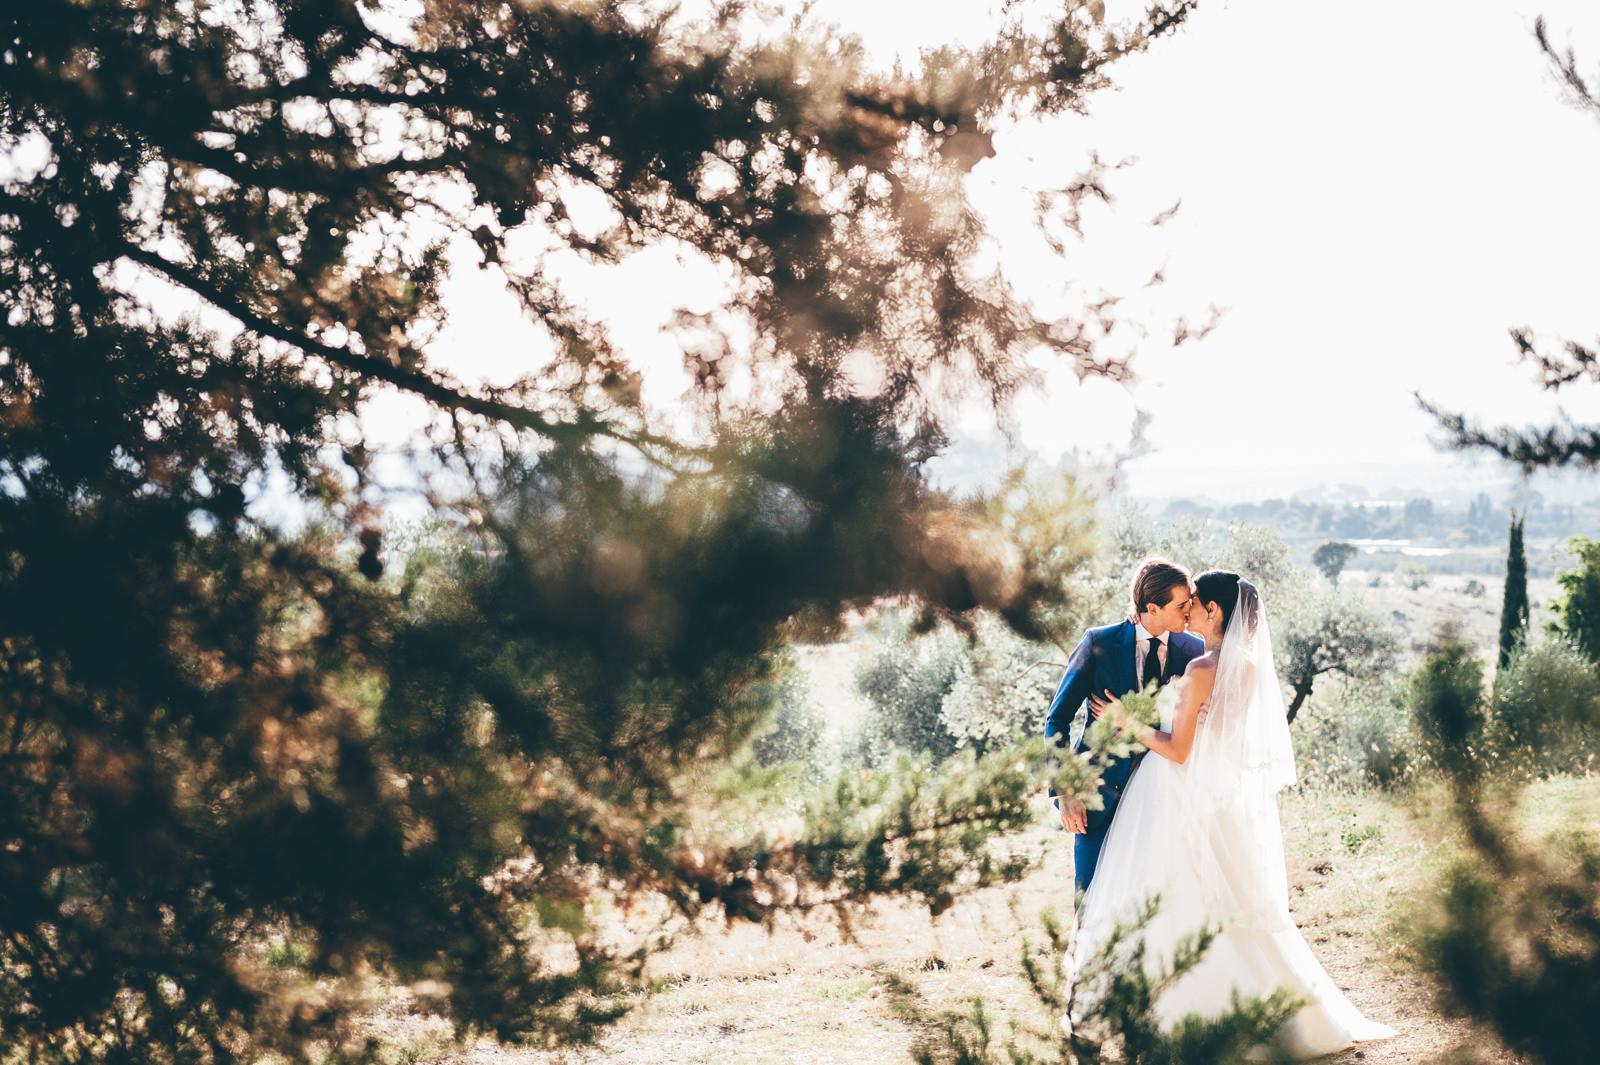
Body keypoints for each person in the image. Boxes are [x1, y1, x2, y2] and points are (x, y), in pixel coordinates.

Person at [1076, 570, 1397, 1058]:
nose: (1188, 610)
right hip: (1210, 797)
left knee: (1171, 901)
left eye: (1196, 602)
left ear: (1216, 612)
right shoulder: (1242, 665)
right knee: (1221, 907)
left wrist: (1125, 720)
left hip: (1173, 794)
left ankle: (1175, 1013)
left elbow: (1179, 750)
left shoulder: (1205, 667)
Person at [1044, 557, 1204, 896]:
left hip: (1162, 798)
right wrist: (1063, 789)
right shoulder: (1098, 644)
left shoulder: (1194, 651)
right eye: (1181, 604)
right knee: (1091, 900)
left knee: (1151, 900)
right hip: (1097, 796)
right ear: (1152, 607)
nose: (1188, 611)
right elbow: (1057, 718)